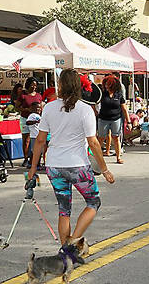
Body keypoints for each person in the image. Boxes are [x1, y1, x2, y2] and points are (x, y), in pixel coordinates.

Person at [26, 68, 115, 245]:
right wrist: (104, 169)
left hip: (54, 165)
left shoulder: (49, 108)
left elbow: (39, 141)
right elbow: (93, 143)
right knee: (93, 202)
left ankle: (65, 248)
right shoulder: (85, 109)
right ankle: (73, 242)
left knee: (64, 210)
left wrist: (33, 169)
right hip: (77, 166)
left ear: (60, 86)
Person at [97, 75, 130, 164]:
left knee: (116, 137)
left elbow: (124, 108)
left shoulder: (119, 95)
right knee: (100, 138)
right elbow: (95, 103)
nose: (107, 86)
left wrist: (128, 121)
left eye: (109, 84)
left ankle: (118, 157)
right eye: (106, 84)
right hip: (103, 119)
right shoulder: (102, 94)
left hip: (116, 119)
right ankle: (95, 157)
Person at [19, 78, 43, 166]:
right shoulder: (23, 95)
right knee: (26, 140)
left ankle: (34, 159)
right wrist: (26, 109)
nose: (34, 87)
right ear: (28, 85)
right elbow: (17, 107)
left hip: (36, 121)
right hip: (25, 119)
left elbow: (41, 107)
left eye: (35, 85)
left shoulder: (38, 95)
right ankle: (26, 158)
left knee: (36, 139)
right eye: (32, 85)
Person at [25, 102, 43, 169]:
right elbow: (28, 122)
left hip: (38, 135)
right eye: (37, 108)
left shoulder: (38, 116)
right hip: (34, 136)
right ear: (32, 109)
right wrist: (35, 122)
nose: (39, 109)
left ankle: (32, 164)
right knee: (36, 151)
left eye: (39, 108)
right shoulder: (32, 115)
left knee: (37, 151)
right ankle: (35, 165)